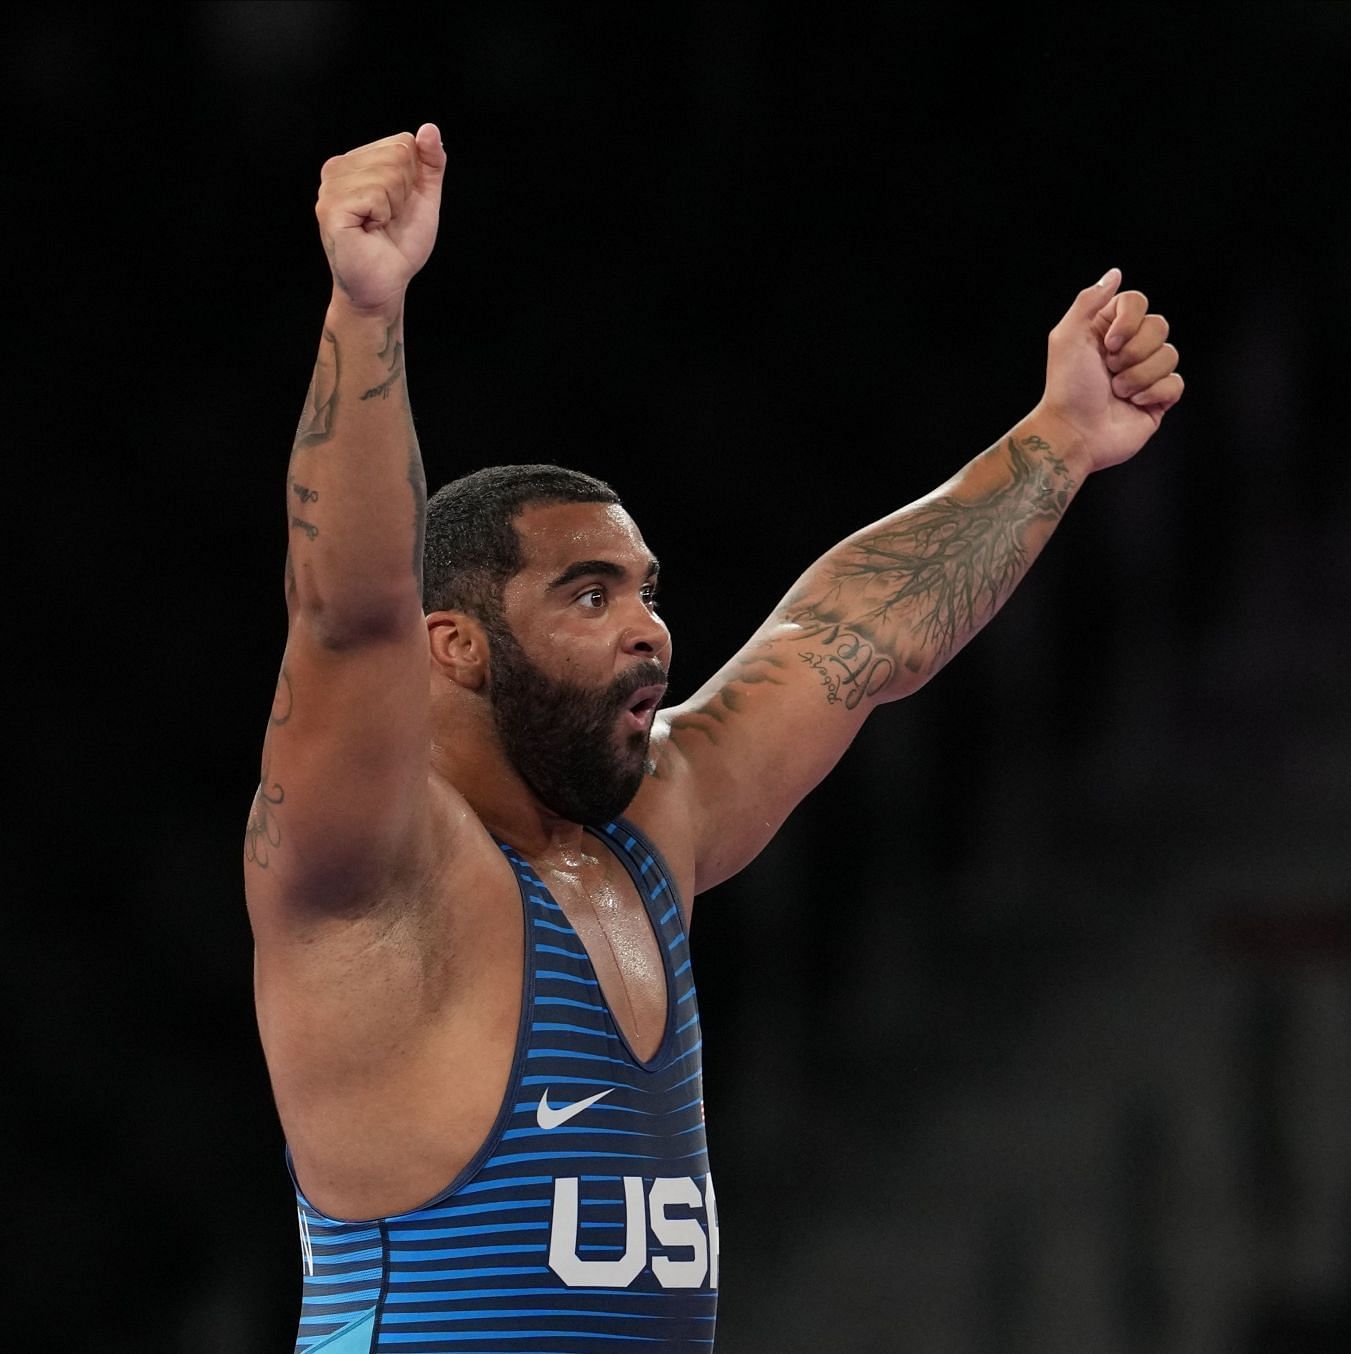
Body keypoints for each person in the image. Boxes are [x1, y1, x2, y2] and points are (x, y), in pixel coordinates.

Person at [246, 122, 1183, 1353]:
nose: (650, 630)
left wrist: (1061, 437)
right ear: (456, 645)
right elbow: (348, 620)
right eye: (591, 595)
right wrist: (366, 311)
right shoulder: (370, 872)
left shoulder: (652, 829)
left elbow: (843, 638)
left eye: (648, 591)